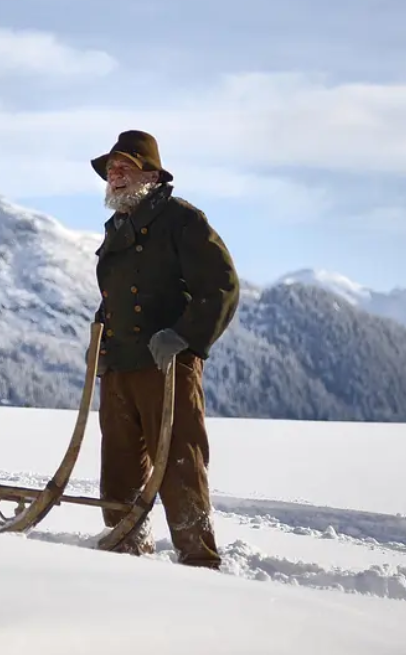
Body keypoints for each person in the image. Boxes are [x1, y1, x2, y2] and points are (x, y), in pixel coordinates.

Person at [89, 129, 240, 569]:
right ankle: (124, 547)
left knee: (179, 463)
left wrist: (185, 334)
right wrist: (100, 336)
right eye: (111, 170)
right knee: (117, 468)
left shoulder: (182, 220)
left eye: (124, 168)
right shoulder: (117, 226)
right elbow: (113, 296)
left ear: (151, 175)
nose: (114, 177)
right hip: (119, 365)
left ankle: (198, 557)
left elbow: (222, 286)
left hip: (167, 365)